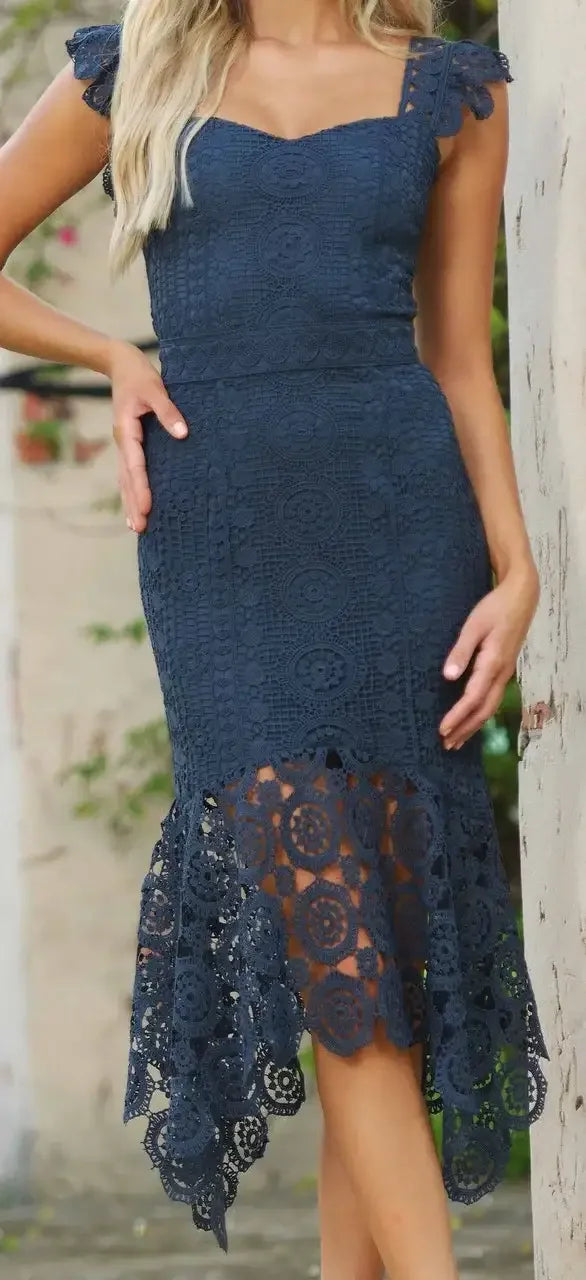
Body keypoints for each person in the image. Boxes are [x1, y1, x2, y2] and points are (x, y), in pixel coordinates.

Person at [0, 2, 548, 1277]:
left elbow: (458, 358)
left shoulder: (450, 92)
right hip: (224, 544)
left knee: (377, 960)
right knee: (330, 932)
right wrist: (108, 355)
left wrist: (517, 565)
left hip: (400, 528)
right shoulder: (132, 71)